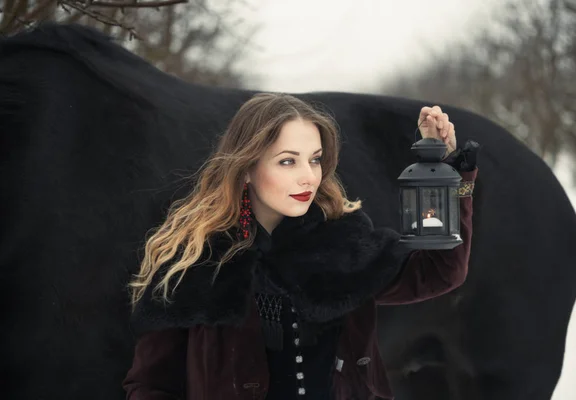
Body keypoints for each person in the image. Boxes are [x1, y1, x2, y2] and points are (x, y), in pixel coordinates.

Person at [122, 93, 479, 400]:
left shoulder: (345, 244)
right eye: (287, 161)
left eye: (315, 158)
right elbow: (150, 386)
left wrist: (443, 173)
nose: (308, 175)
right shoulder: (194, 262)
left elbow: (440, 270)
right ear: (246, 167)